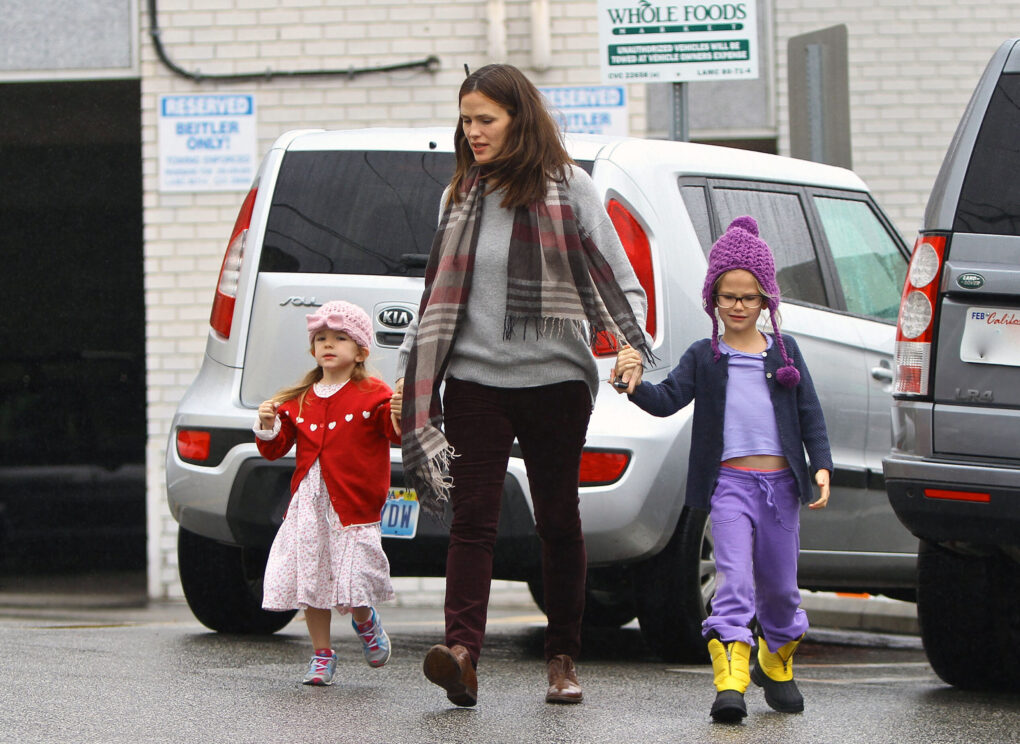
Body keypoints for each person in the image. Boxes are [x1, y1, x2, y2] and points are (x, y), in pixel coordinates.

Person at [391, 63, 654, 707]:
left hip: (556, 382)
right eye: (466, 120)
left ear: (519, 119)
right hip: (476, 379)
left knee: (557, 519)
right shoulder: (460, 195)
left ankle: (562, 655)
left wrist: (630, 347)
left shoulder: (572, 189)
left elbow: (620, 282)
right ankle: (461, 654)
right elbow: (435, 296)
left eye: (486, 119)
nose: (473, 131)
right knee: (472, 521)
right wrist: (409, 375)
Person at [613, 216, 832, 723]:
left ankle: (775, 662)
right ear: (713, 299)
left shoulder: (785, 352)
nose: (737, 306)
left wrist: (819, 466)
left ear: (766, 302)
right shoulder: (704, 357)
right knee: (734, 582)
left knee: (780, 588)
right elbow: (666, 400)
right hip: (729, 486)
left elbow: (810, 416)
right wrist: (633, 385)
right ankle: (730, 683)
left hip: (782, 489)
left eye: (748, 297)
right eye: (727, 296)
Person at [254, 300, 402, 686]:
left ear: (360, 352)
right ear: (312, 348)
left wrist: (401, 411)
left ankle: (364, 619)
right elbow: (274, 448)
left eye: (339, 338)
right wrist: (267, 424)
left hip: (352, 505)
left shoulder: (374, 394)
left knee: (354, 577)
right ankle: (322, 655)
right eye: (321, 338)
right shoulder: (300, 399)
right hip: (309, 502)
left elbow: (395, 433)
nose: (328, 345)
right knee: (312, 580)